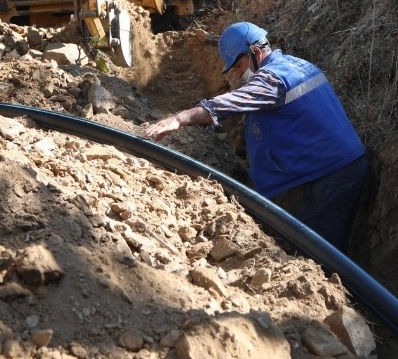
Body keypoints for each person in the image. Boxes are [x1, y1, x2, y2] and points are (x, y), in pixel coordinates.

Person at [143, 21, 368, 252]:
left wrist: (179, 119)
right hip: (329, 167)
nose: (239, 73)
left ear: (256, 53)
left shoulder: (273, 80)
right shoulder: (297, 65)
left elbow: (226, 104)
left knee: (317, 252)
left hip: (334, 174)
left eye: (239, 65)